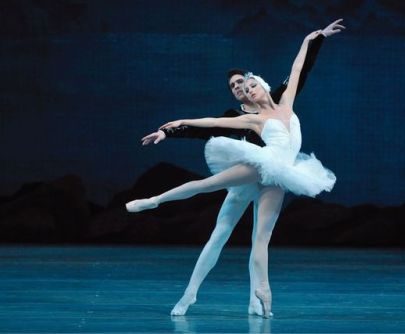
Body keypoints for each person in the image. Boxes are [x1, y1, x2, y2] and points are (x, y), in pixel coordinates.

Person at [127, 23, 342, 317]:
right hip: (254, 169)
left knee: (261, 239)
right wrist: (173, 127)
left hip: (279, 173)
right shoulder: (242, 118)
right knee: (217, 218)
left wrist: (313, 38)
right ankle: (186, 287)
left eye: (248, 83)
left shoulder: (283, 99)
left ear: (261, 85)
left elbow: (299, 68)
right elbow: (209, 124)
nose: (244, 88)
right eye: (238, 87)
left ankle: (259, 297)